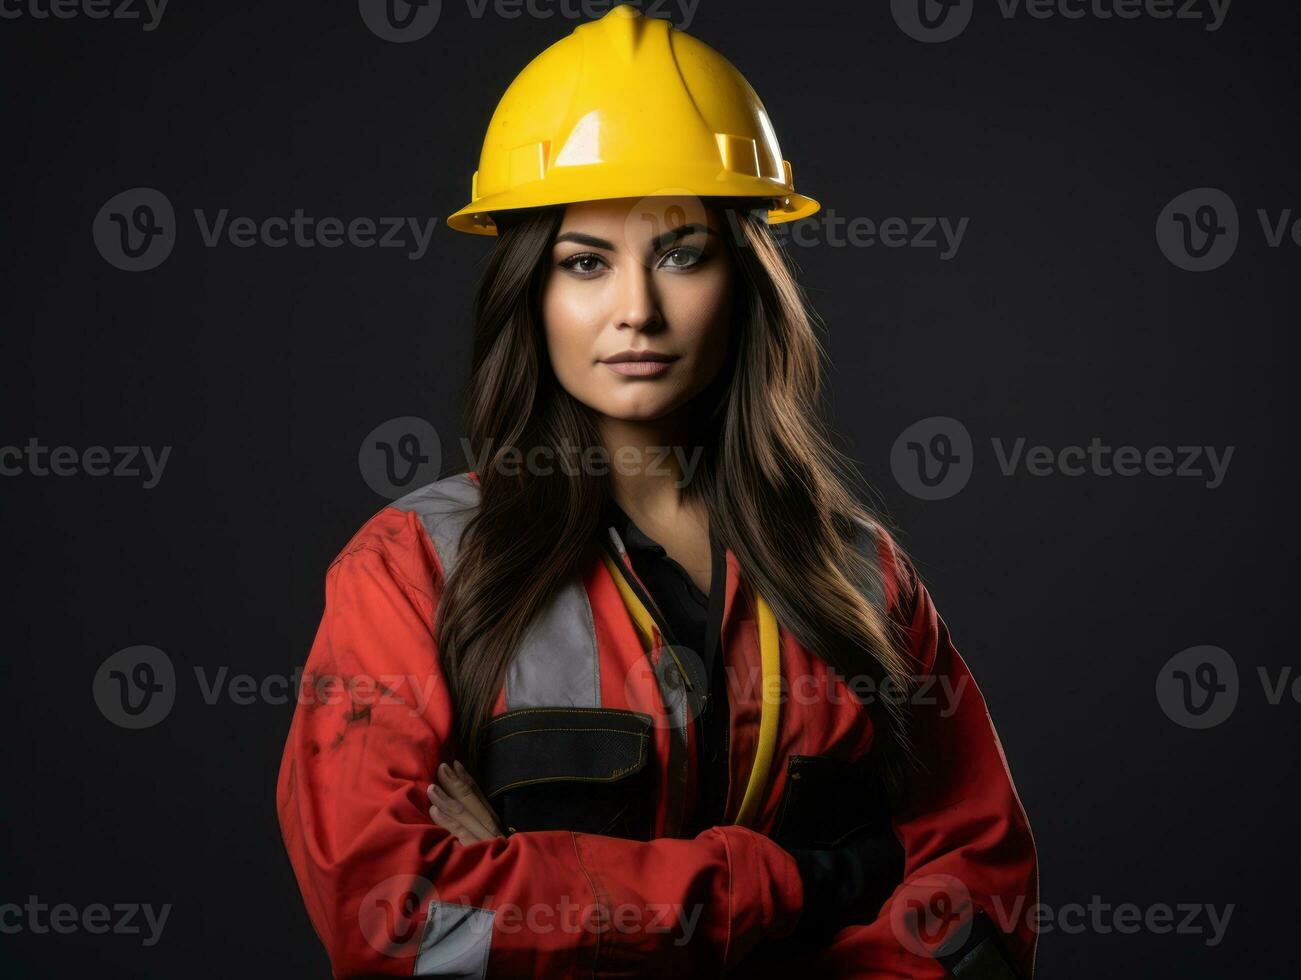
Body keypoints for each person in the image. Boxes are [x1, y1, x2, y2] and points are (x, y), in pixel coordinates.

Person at [275, 6, 1038, 977]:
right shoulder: (412, 567)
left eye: (680, 253)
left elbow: (980, 898)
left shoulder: (858, 573)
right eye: (584, 262)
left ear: (743, 280)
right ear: (530, 293)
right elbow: (396, 917)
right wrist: (792, 886)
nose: (635, 308)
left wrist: (526, 877)